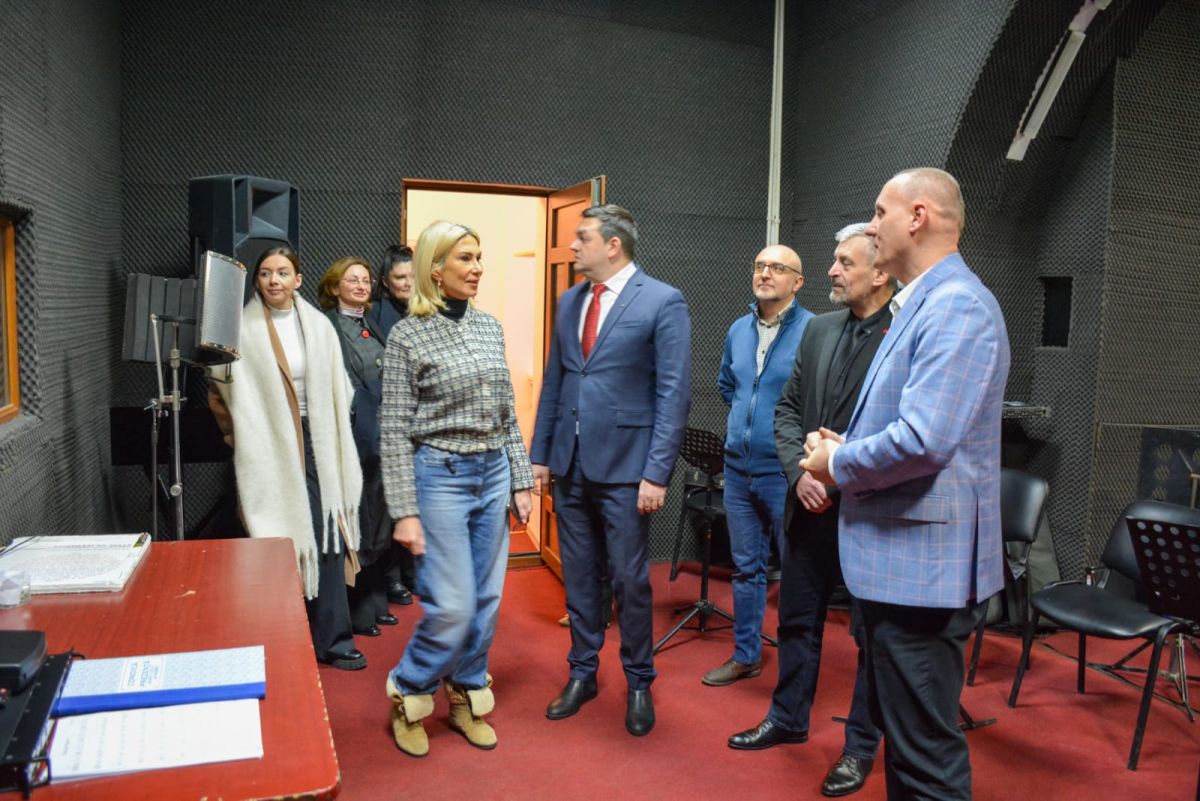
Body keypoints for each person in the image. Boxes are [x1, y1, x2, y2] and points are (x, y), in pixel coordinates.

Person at [801, 168, 1010, 800]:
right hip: (903, 566)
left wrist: (838, 463)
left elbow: (924, 440)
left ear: (918, 217)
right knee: (907, 747)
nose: (871, 226)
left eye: (879, 212)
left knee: (924, 762)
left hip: (924, 574)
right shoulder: (925, 301)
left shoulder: (957, 305)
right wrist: (846, 445)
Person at [728, 223, 892, 798]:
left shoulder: (902, 334)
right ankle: (788, 717)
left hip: (868, 513)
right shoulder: (819, 330)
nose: (832, 271)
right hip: (808, 505)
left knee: (871, 639)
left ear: (880, 272)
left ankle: (860, 747)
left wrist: (839, 474)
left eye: (845, 262)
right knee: (796, 620)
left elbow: (904, 432)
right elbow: (787, 410)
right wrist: (799, 475)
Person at [531, 204, 691, 737]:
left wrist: (657, 473)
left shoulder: (663, 300)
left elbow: (673, 394)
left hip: (628, 469)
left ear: (613, 245)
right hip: (570, 464)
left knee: (628, 580)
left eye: (583, 238)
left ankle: (639, 681)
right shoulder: (570, 300)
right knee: (578, 576)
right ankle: (582, 672)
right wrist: (540, 455)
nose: (574, 246)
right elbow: (556, 381)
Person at [381, 221, 534, 757]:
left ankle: (467, 693)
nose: (477, 268)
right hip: (439, 477)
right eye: (465, 258)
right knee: (451, 607)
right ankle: (409, 689)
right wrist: (404, 511)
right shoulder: (407, 336)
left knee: (486, 601)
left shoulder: (490, 327)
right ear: (435, 267)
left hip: (493, 473)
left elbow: (507, 412)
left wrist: (520, 478)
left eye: (479, 257)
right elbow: (393, 430)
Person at [209, 246, 366, 671]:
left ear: (297, 279)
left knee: (328, 529)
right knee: (279, 536)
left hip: (320, 437)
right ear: (256, 281)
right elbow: (220, 391)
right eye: (265, 273)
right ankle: (286, 638)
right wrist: (241, 436)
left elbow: (340, 385)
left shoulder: (317, 325)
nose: (273, 280)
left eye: (282, 272)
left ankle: (334, 640)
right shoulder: (242, 328)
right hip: (271, 444)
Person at [704, 245, 813, 686]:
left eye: (777, 268)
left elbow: (817, 398)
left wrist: (783, 440)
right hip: (738, 469)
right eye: (760, 266)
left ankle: (796, 669)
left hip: (785, 473)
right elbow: (727, 384)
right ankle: (745, 655)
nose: (765, 273)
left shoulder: (813, 331)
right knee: (746, 569)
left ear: (797, 282)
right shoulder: (738, 329)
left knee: (797, 574)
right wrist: (745, 421)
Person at [318, 256, 397, 637]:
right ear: (335, 287)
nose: (362, 286)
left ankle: (375, 599)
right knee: (360, 520)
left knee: (380, 516)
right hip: (354, 437)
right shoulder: (328, 326)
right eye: (352, 280)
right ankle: (360, 607)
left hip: (382, 433)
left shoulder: (370, 322)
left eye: (366, 280)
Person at [369, 244, 416, 607]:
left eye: (413, 276)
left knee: (418, 501)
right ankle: (391, 576)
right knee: (387, 505)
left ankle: (413, 573)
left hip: (422, 423)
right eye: (400, 277)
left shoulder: (429, 313)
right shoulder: (373, 316)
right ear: (386, 281)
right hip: (387, 422)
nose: (408, 283)